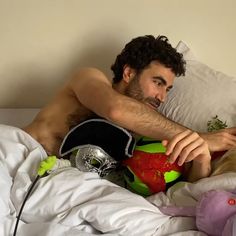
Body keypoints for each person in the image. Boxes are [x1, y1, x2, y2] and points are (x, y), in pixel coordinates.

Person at [23, 35, 236, 182]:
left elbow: (183, 185)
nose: (162, 97)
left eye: (168, 89)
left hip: (59, 188)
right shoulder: (89, 78)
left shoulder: (147, 130)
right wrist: (199, 136)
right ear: (128, 73)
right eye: (158, 82)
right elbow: (116, 109)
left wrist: (199, 153)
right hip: (21, 158)